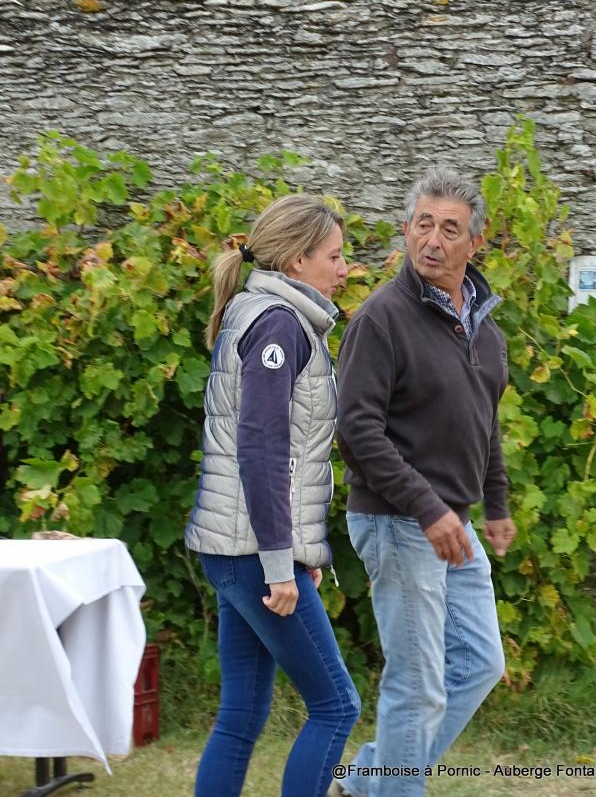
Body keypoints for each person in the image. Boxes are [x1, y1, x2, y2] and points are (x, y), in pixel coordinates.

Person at [331, 167, 516, 797]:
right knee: (417, 683)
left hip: (450, 521)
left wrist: (495, 504)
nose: (432, 240)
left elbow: (484, 424)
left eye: (449, 229)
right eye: (422, 224)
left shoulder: (483, 327)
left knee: (480, 663)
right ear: (406, 230)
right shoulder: (382, 319)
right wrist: (427, 508)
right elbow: (356, 429)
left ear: (475, 244)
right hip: (397, 519)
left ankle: (369, 780)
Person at [185, 194, 360, 797]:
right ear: (294, 262)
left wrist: (298, 556)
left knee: (241, 717)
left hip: (239, 552)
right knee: (336, 706)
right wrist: (280, 562)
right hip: (254, 557)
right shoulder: (279, 325)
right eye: (334, 257)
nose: (344, 268)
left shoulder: (257, 312)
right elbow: (261, 452)